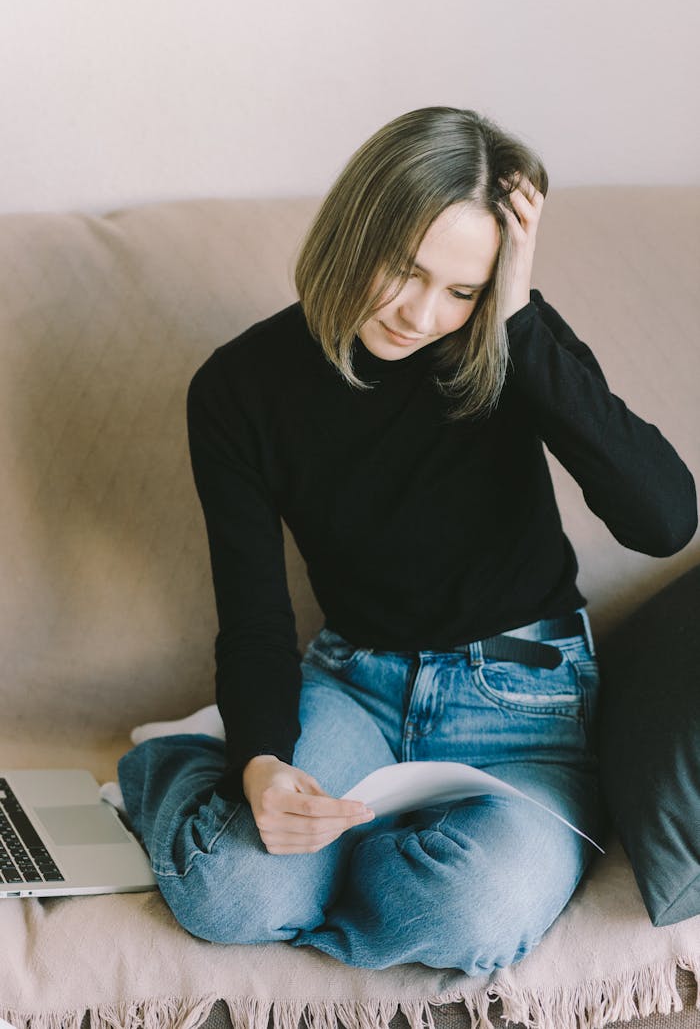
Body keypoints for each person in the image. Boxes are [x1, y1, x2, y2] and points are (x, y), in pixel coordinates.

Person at [117, 106, 697, 975]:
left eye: (463, 289)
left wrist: (517, 316)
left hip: (524, 705)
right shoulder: (239, 388)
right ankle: (172, 763)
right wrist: (262, 766)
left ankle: (352, 865)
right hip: (356, 686)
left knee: (477, 911)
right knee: (236, 892)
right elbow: (256, 616)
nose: (423, 313)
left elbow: (664, 520)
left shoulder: (510, 342)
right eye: (403, 270)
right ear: (357, 231)